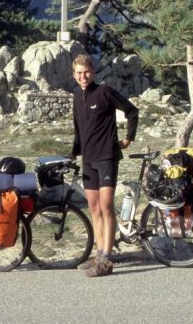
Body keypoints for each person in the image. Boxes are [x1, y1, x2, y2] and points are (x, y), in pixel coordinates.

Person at [70, 54, 139, 277]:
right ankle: (99, 253)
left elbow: (131, 111)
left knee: (107, 207)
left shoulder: (105, 92)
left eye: (87, 72)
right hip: (88, 159)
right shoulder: (76, 97)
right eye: (79, 73)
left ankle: (106, 260)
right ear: (74, 75)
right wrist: (73, 155)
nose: (83, 76)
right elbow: (78, 129)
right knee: (94, 208)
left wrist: (128, 138)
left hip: (107, 157)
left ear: (93, 71)